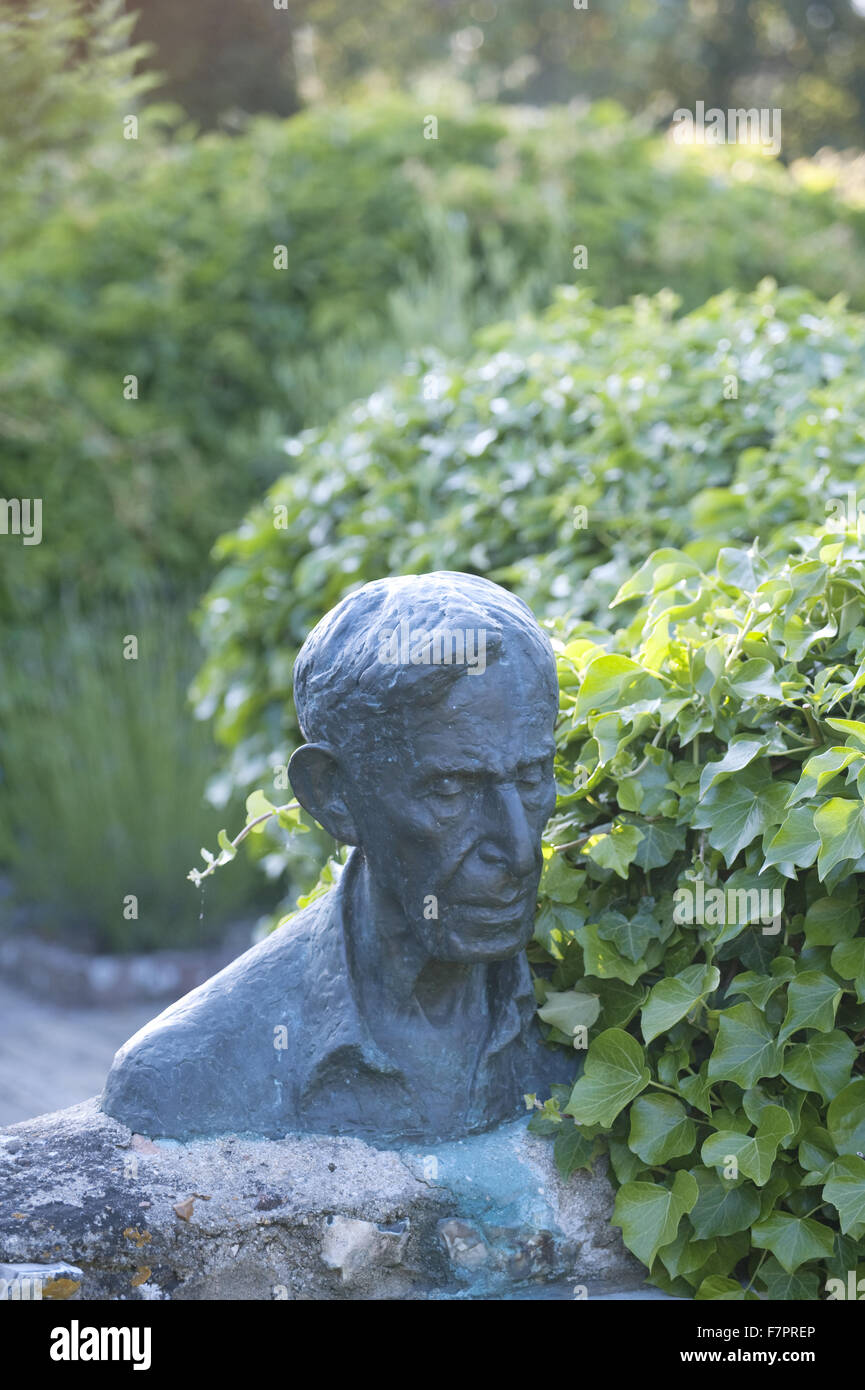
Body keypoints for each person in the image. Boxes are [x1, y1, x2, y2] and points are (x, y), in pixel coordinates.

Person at [101, 572, 571, 1142]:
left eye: (531, 777)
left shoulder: (604, 1013)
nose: (521, 852)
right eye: (450, 790)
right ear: (333, 797)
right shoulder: (187, 1076)